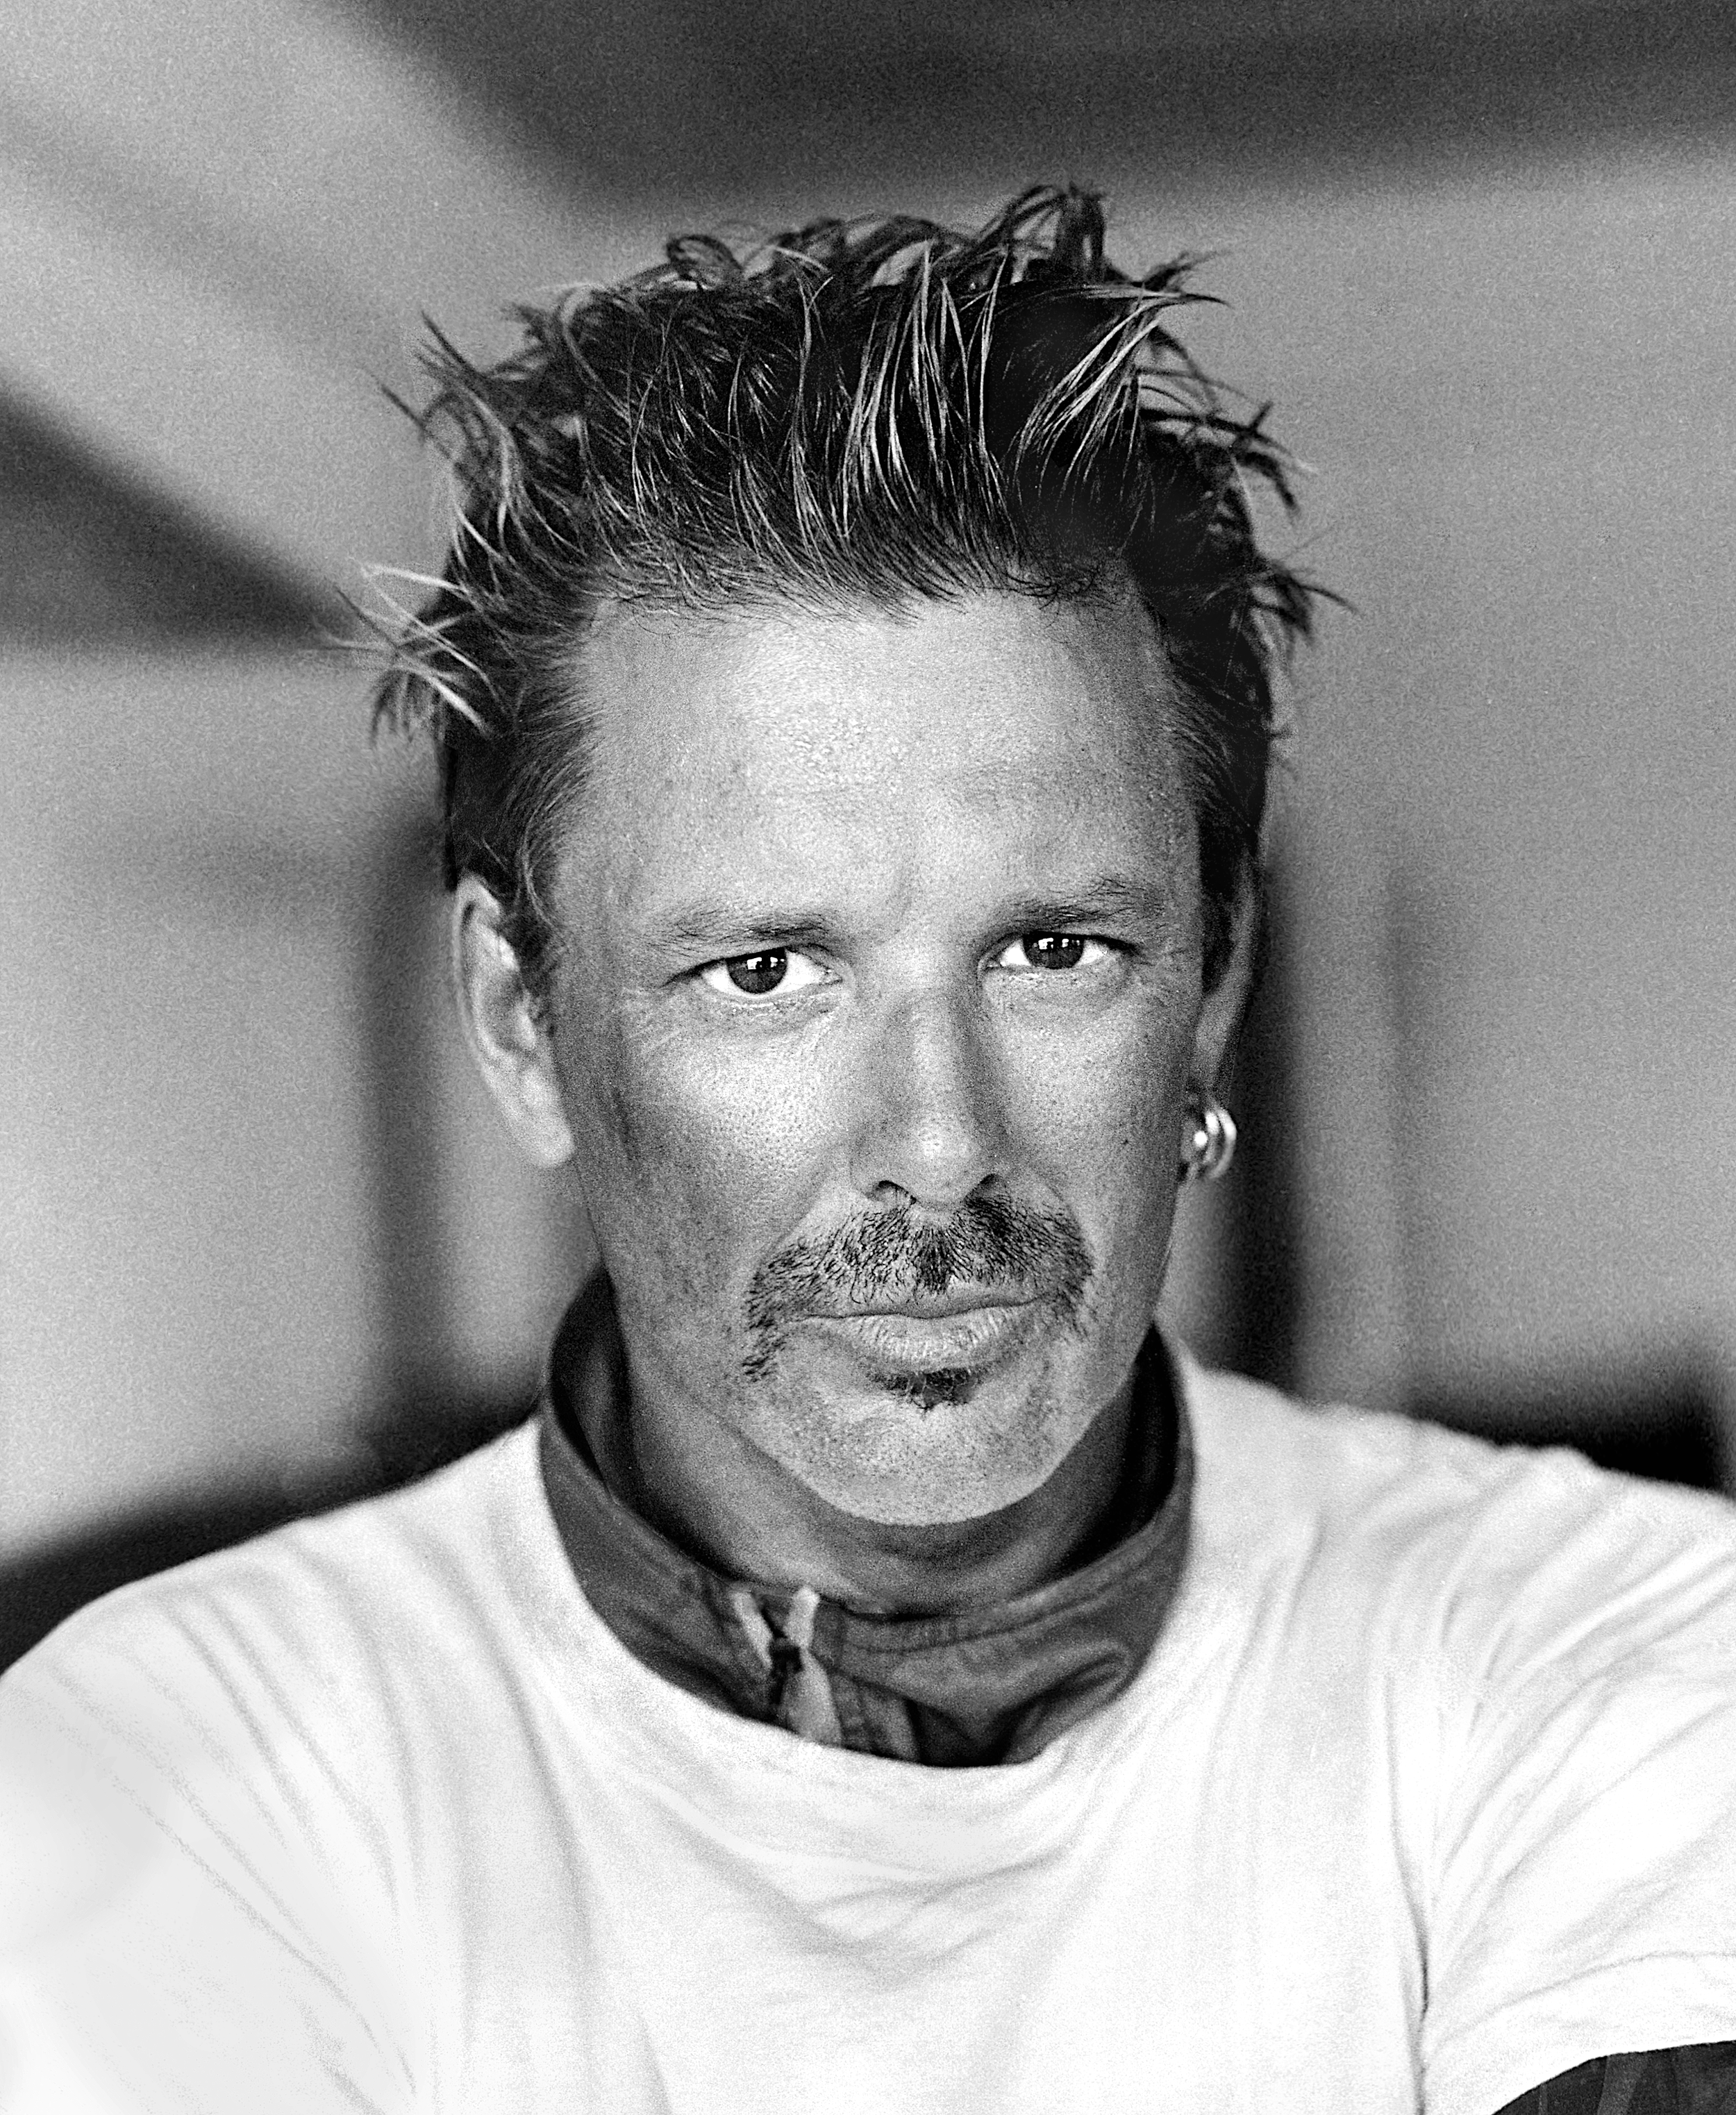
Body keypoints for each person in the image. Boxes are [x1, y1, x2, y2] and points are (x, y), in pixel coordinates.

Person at [1, 186, 1733, 2115]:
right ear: (523, 1022)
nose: (938, 1146)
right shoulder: (179, 1771)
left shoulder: (1614, 1639)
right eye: (765, 972)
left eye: (1053, 950)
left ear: (1214, 980)